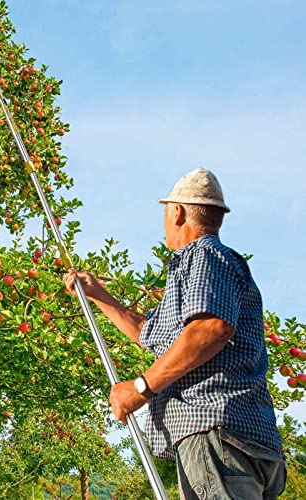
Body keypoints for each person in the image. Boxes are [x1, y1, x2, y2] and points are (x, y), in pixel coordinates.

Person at [64, 168, 286, 499]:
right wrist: (98, 294)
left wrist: (139, 390)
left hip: (215, 437)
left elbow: (210, 330)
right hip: (234, 441)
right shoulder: (208, 267)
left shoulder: (203, 256)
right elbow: (152, 333)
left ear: (177, 212)